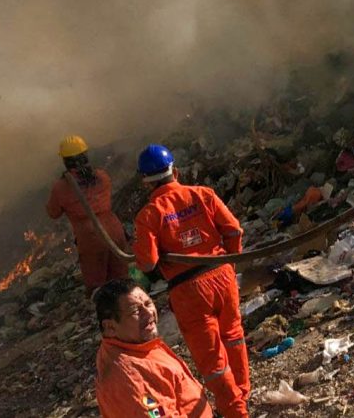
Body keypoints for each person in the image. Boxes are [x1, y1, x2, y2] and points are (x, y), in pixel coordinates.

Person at [132, 144, 250, 418]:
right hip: (222, 276)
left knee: (213, 361)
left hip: (188, 290)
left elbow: (148, 263)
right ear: (176, 170)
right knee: (233, 337)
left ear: (144, 181)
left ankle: (235, 412)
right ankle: (241, 396)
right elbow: (234, 230)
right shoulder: (203, 194)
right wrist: (229, 263)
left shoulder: (149, 215)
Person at [94, 278, 213, 417]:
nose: (148, 313)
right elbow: (158, 414)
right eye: (135, 311)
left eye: (148, 303)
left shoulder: (134, 347)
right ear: (110, 327)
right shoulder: (131, 376)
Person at [47, 135, 129, 294]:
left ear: (65, 161)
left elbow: (53, 212)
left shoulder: (61, 187)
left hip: (91, 237)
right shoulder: (102, 176)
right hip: (114, 229)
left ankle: (108, 313)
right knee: (122, 278)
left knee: (97, 285)